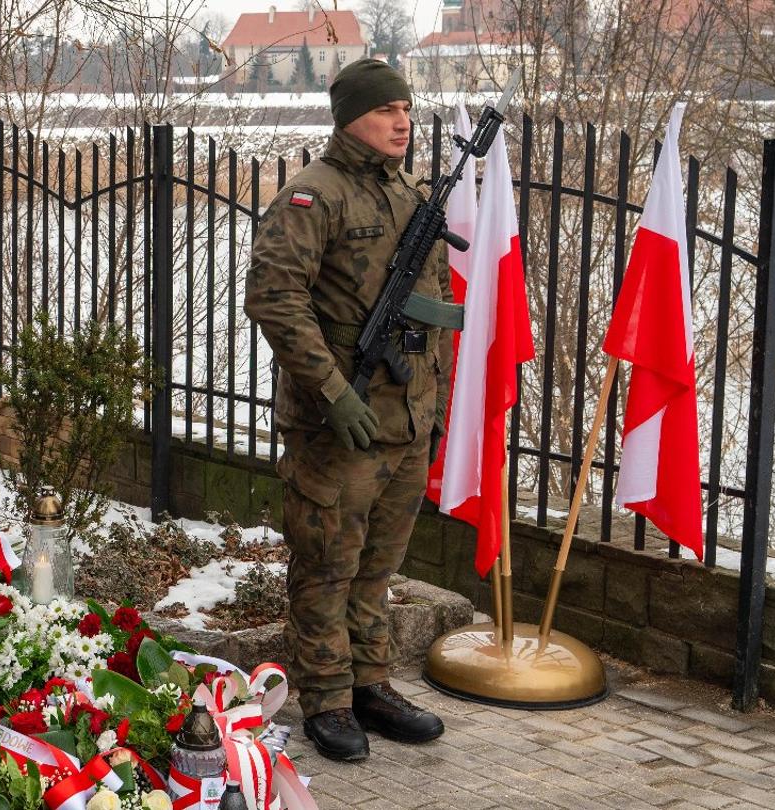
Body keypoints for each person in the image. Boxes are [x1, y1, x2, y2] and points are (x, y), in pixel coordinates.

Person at [244, 58, 454, 762]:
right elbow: (275, 298)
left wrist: (434, 406)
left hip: (404, 421)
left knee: (376, 569)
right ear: (350, 117)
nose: (402, 120)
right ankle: (326, 697)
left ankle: (371, 684)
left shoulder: (409, 193)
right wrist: (332, 391)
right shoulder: (314, 196)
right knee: (327, 564)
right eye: (386, 109)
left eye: (407, 108)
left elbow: (429, 319)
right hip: (339, 422)